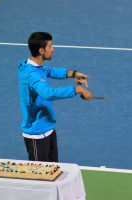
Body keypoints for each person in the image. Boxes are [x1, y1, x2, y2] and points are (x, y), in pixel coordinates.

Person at [18, 32, 92, 162]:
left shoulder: (36, 67)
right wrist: (77, 89)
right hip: (36, 134)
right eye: (50, 46)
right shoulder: (31, 74)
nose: (53, 49)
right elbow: (48, 93)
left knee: (53, 172)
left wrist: (74, 74)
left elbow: (50, 71)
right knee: (39, 178)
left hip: (48, 128)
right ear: (41, 50)